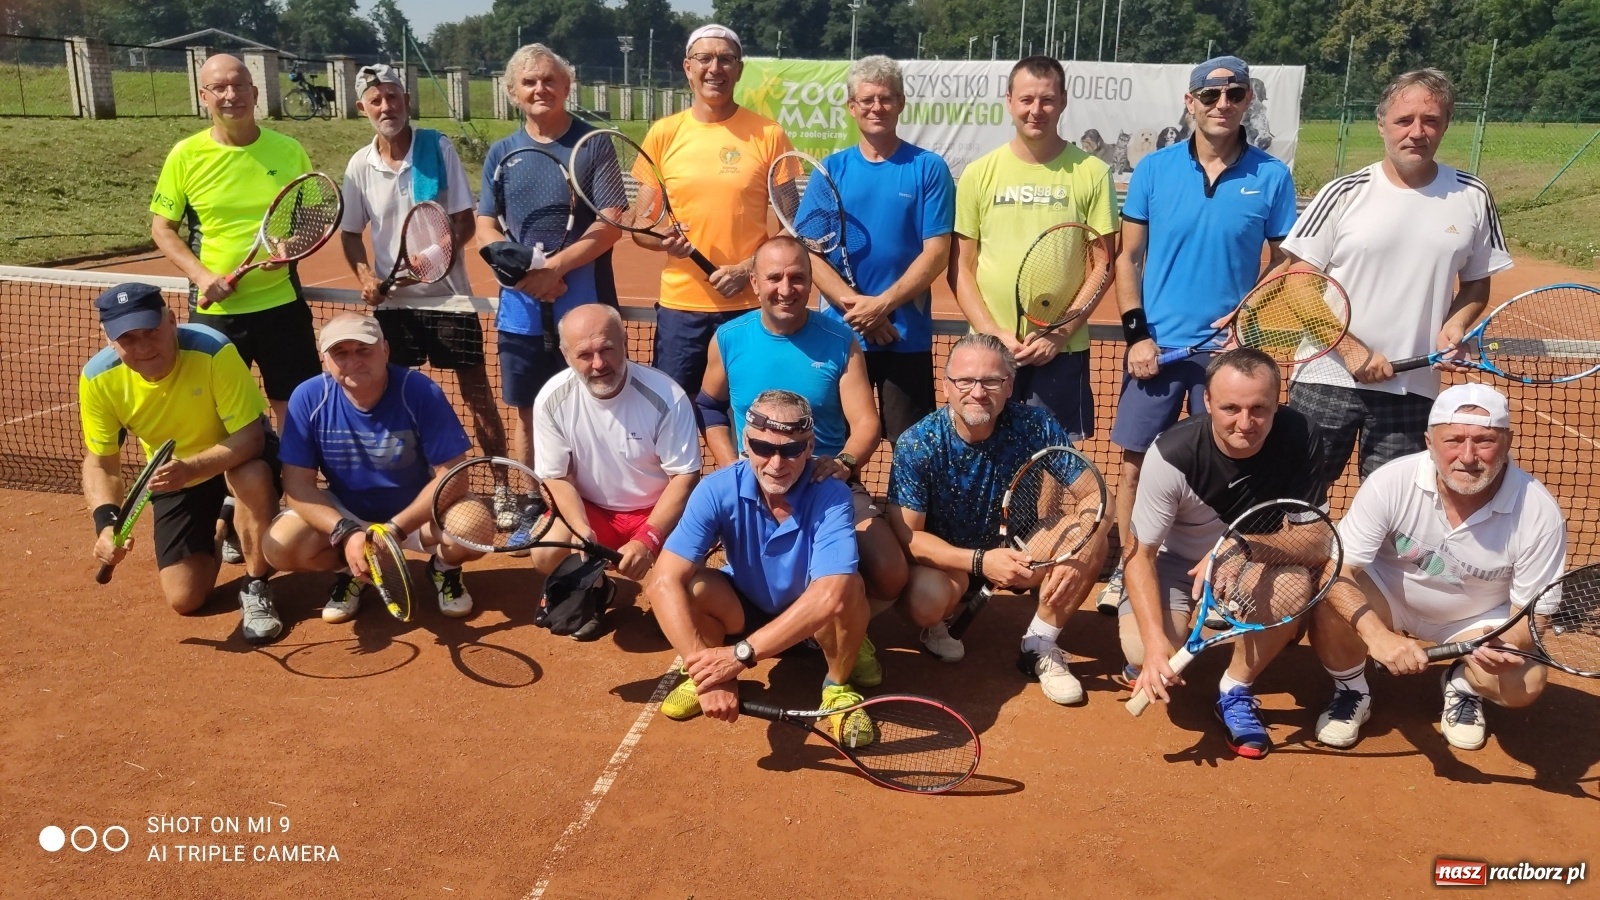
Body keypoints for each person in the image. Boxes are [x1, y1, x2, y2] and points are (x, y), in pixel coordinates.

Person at [1098, 55, 1299, 615]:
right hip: (1157, 353)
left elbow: (1284, 265)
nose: (1222, 105)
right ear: (1190, 103)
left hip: (1226, 360)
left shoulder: (1271, 176)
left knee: (1229, 462)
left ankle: (1222, 567)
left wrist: (1246, 319)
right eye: (1209, 96)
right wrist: (1138, 334)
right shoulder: (1154, 170)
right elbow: (1129, 257)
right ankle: (1129, 562)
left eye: (1234, 94)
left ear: (1247, 102)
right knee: (1137, 463)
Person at [1282, 68, 1512, 488]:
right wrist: (1353, 353)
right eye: (1404, 120)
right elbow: (1298, 282)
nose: (1417, 132)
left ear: (1445, 126)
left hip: (1413, 389)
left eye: (1431, 120)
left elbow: (1477, 282)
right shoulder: (1343, 192)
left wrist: (1455, 324)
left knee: (1395, 514)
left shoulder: (1473, 196)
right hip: (1325, 379)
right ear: (1382, 124)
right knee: (1296, 505)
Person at [1308, 384, 1564, 751]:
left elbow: (1533, 616)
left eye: (1484, 440)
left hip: (1478, 621)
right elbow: (1339, 570)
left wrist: (1501, 642)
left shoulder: (1539, 512)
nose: (1468, 455)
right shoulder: (1391, 482)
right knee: (1330, 600)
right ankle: (1351, 689)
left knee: (1525, 683)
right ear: (1429, 442)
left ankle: (1463, 683)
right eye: (1454, 440)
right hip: (1387, 597)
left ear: (1507, 442)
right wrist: (1378, 637)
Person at [699, 237, 907, 685]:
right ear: (754, 283)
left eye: (798, 278)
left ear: (812, 284)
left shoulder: (840, 339)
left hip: (823, 483)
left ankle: (840, 628)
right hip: (755, 482)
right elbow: (710, 405)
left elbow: (865, 422)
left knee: (890, 573)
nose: (785, 288)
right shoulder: (729, 339)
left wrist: (846, 463)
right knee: (701, 574)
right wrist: (731, 462)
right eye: (774, 278)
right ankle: (796, 627)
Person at [1123, 349, 1330, 759]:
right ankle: (1159, 649)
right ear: (1207, 402)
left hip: (1252, 563)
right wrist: (1152, 645)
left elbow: (1320, 541)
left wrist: (1241, 547)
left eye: (1259, 409)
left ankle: (1234, 688)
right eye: (1230, 408)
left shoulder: (1300, 435)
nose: (1245, 423)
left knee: (1293, 586)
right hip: (1178, 565)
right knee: (1139, 649)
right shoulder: (1172, 453)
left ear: (1277, 401)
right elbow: (1139, 556)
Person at [887, 333, 1110, 704]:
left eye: (991, 381)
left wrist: (1080, 554)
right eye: (965, 381)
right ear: (946, 386)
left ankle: (1039, 644)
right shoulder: (917, 442)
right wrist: (980, 561)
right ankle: (940, 624)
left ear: (1009, 387)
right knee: (925, 601)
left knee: (1091, 537)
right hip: (950, 562)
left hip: (1023, 551)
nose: (978, 392)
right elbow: (908, 536)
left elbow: (1097, 496)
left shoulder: (1035, 425)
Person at [648, 390, 873, 744]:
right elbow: (662, 581)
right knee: (696, 587)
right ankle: (708, 672)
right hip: (747, 610)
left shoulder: (833, 495)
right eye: (764, 448)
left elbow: (828, 596)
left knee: (848, 590)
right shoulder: (715, 490)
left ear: (810, 446)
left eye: (792, 449)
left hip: (812, 622)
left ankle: (837, 686)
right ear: (745, 442)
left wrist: (740, 656)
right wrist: (708, 672)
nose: (776, 463)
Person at [79, 283, 283, 643]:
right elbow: (101, 464)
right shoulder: (98, 379)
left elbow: (250, 438)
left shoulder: (212, 350)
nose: (143, 348)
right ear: (109, 339)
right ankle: (224, 524)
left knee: (249, 475)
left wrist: (192, 468)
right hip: (176, 476)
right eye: (128, 338)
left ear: (172, 320)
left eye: (151, 332)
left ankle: (256, 583)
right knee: (185, 598)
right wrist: (107, 523)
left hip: (236, 453)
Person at [339, 63, 508, 477]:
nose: (386, 106)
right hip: (393, 309)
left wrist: (427, 265)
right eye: (376, 100)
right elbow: (349, 234)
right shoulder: (359, 165)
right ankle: (409, 483)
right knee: (392, 396)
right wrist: (366, 279)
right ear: (363, 108)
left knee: (476, 394)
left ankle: (503, 484)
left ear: (407, 101)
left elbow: (465, 222)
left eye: (393, 97)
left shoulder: (438, 147)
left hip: (449, 299)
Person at [263, 314, 487, 622]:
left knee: (476, 527)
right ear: (325, 359)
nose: (353, 360)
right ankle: (352, 569)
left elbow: (454, 474)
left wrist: (395, 529)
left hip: (415, 516)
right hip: (349, 512)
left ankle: (443, 570)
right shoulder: (308, 397)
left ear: (385, 350)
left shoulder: (419, 391)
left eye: (363, 349)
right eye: (341, 352)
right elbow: (297, 485)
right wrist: (347, 533)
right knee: (280, 546)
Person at [149, 52, 319, 429]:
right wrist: (202, 276)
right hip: (217, 316)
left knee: (297, 412)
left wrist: (293, 245)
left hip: (282, 307)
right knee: (221, 418)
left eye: (239, 85)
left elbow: (314, 218)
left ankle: (296, 487)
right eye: (219, 87)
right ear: (203, 95)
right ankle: (239, 490)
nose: (231, 95)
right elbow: (162, 229)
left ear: (255, 93)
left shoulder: (289, 150)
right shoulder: (186, 156)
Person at [952, 55, 1118, 441]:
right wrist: (993, 334)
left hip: (1061, 351)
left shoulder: (1092, 173)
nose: (1036, 110)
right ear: (1009, 100)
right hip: (987, 351)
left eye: (1046, 100)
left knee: (1054, 463)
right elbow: (960, 268)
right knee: (982, 453)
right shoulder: (978, 173)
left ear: (1063, 101)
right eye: (1026, 99)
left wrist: (1059, 335)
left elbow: (1102, 265)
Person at [476, 44, 624, 468]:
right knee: (529, 414)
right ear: (512, 92)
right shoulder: (500, 152)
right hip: (519, 311)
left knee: (599, 410)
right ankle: (532, 504)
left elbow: (610, 223)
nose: (540, 88)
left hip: (586, 308)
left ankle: (593, 506)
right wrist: (522, 273)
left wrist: (555, 267)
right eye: (529, 82)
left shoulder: (593, 145)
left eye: (549, 80)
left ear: (566, 85)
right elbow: (485, 227)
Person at [636, 24, 794, 400]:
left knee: (754, 419)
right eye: (704, 58)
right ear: (687, 67)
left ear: (739, 70)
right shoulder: (663, 134)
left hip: (750, 308)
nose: (715, 68)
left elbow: (793, 225)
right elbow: (640, 227)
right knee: (674, 423)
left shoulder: (769, 134)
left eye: (725, 59)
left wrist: (746, 269)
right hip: (680, 312)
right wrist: (663, 241)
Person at [808, 55, 955, 444]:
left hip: (906, 339)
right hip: (840, 338)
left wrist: (883, 305)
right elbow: (809, 253)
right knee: (837, 449)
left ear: (901, 103)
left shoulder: (928, 168)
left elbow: (937, 251)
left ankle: (902, 510)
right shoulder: (830, 170)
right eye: (868, 99)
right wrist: (861, 311)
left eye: (887, 98)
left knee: (912, 452)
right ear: (851, 106)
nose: (877, 107)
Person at [529, 304, 702, 632]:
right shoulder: (551, 399)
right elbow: (555, 478)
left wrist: (648, 539)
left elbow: (684, 476)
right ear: (566, 356)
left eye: (607, 349)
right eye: (584, 354)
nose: (598, 364)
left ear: (624, 342)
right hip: (593, 509)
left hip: (656, 511)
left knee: (690, 585)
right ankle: (597, 588)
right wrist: (580, 528)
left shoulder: (666, 395)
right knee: (546, 552)